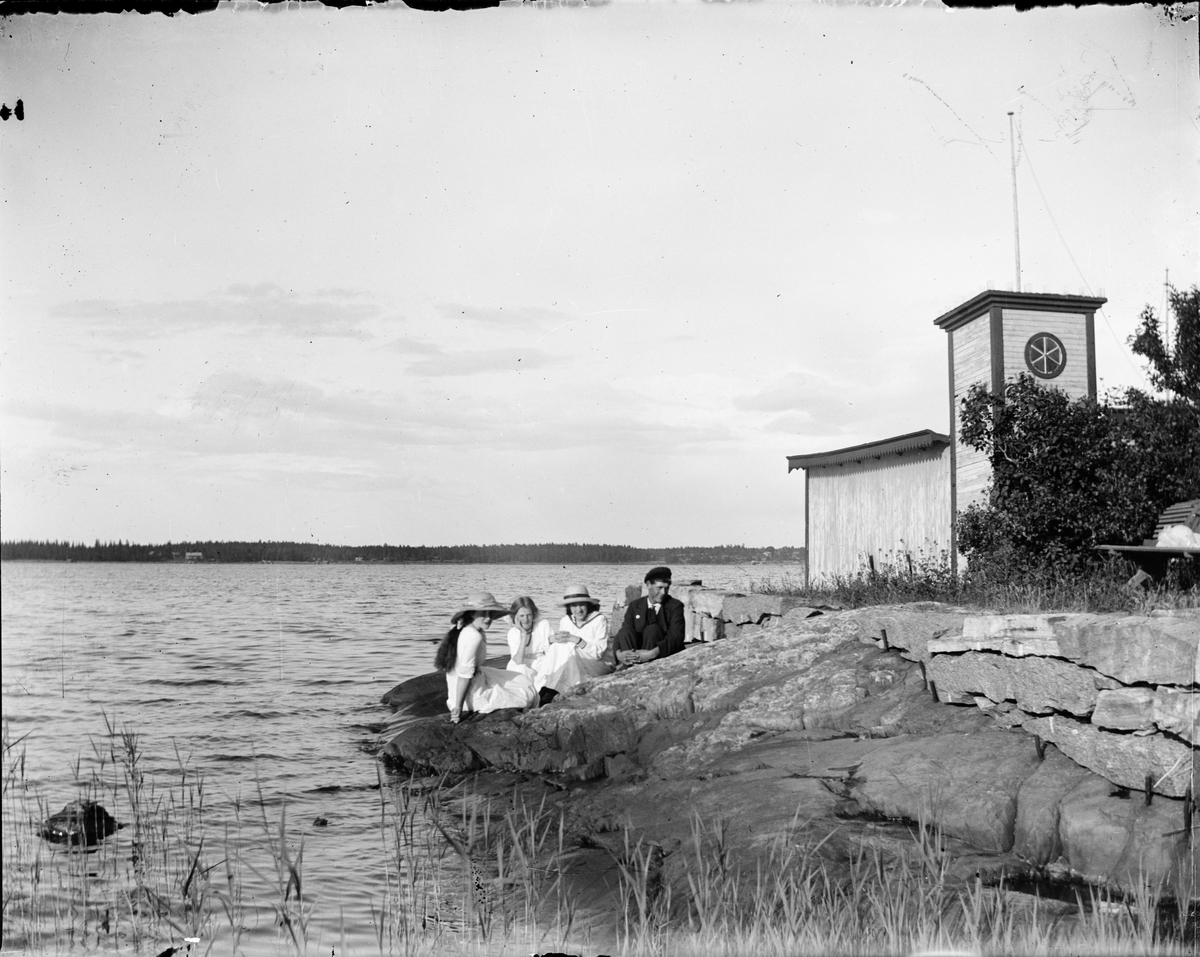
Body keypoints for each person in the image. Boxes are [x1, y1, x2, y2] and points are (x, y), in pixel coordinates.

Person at [434, 592, 537, 723]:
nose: (488, 618)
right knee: (526, 693)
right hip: (472, 692)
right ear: (472, 614)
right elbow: (464, 675)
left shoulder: (465, 628)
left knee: (523, 680)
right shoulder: (473, 636)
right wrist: (458, 707)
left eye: (491, 613)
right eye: (483, 613)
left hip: (471, 680)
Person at [532, 584, 613, 700]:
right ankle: (541, 688)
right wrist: (552, 640)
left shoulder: (599, 620)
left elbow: (598, 653)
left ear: (588, 604)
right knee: (557, 646)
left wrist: (577, 640)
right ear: (569, 607)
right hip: (573, 664)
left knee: (568, 647)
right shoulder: (565, 621)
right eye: (574, 605)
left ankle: (549, 690)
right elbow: (557, 654)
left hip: (597, 665)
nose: (578, 610)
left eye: (582, 605)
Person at [614, 566, 685, 668]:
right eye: (659, 588)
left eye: (667, 588)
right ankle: (630, 666)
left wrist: (652, 653)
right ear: (648, 585)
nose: (663, 593)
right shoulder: (635, 605)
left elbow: (676, 636)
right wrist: (618, 654)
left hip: (661, 655)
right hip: (636, 650)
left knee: (652, 630)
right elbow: (623, 631)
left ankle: (646, 668)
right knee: (626, 630)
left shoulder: (675, 606)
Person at [505, 596, 553, 681]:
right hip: (520, 665)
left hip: (541, 664)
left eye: (529, 615)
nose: (526, 619)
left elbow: (551, 653)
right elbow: (518, 661)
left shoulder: (543, 625)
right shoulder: (512, 633)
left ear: (533, 614)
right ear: (515, 617)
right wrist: (523, 634)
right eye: (522, 616)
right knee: (521, 670)